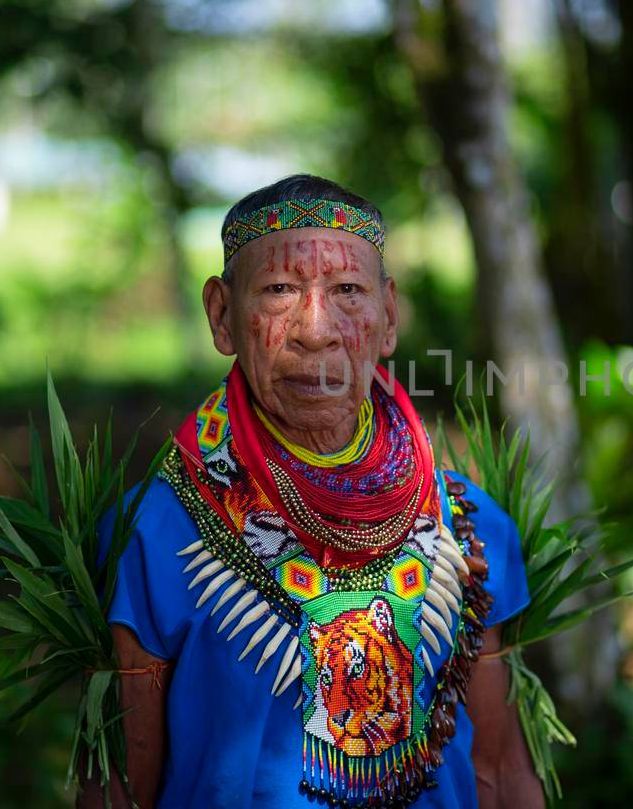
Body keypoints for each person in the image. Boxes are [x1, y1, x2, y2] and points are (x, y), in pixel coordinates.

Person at [80, 175, 543, 808]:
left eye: (348, 291)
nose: (316, 330)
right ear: (221, 315)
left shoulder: (470, 528)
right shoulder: (154, 534)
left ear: (388, 318)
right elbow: (119, 790)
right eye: (278, 291)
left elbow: (499, 771)